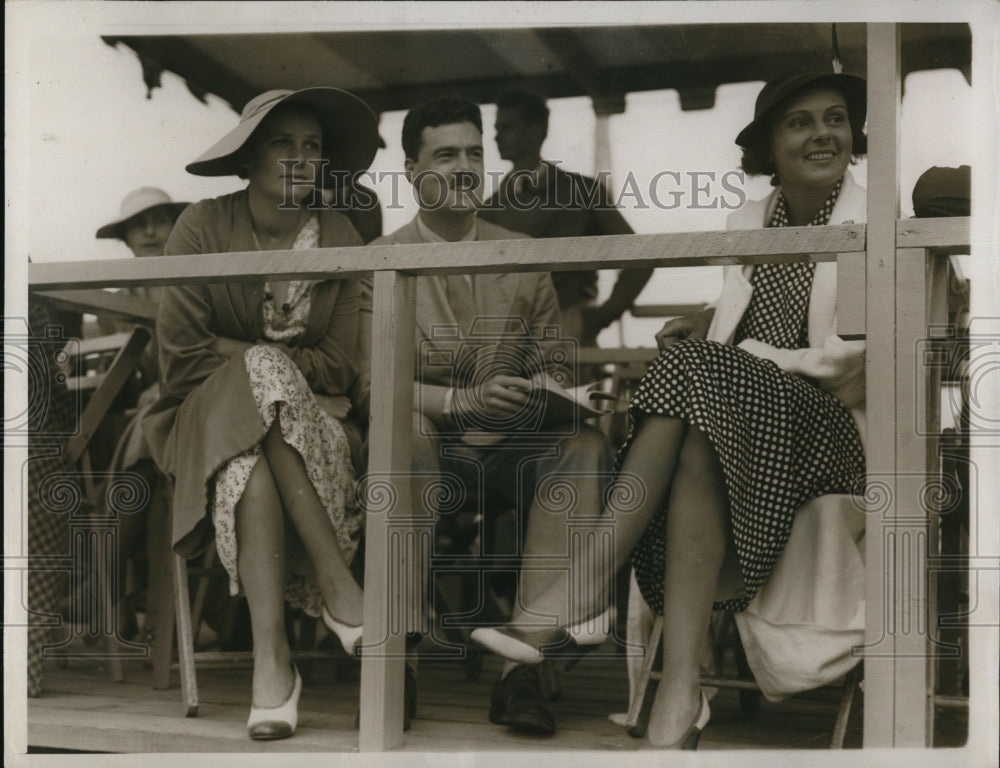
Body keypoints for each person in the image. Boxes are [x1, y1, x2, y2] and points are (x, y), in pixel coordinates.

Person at [473, 70, 869, 749]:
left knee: (690, 368)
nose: (822, 133)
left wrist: (740, 355)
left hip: (833, 434)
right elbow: (751, 320)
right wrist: (713, 318)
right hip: (741, 423)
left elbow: (844, 359)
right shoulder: (747, 220)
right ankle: (680, 691)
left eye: (834, 119)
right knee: (691, 441)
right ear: (770, 146)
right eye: (800, 122)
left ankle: (586, 587)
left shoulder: (868, 218)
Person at [370, 96, 614, 736]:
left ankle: (524, 669)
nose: (464, 166)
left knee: (583, 447)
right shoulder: (379, 260)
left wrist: (535, 389)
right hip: (427, 442)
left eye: (474, 153)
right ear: (411, 170)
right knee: (406, 435)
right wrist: (454, 401)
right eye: (445, 154)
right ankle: (398, 660)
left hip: (508, 440)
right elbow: (372, 383)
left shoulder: (521, 251)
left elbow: (556, 365)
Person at [143, 87, 379, 741]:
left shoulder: (339, 234)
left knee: (255, 449)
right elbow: (184, 362)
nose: (301, 159)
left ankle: (274, 667)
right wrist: (264, 361)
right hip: (201, 423)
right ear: (248, 156)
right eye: (283, 143)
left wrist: (247, 359)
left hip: (321, 430)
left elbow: (342, 366)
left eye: (313, 147)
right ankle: (339, 588)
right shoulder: (200, 226)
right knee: (256, 386)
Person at [478, 89, 653, 347]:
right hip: (509, 333)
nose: (497, 136)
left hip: (567, 327)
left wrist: (601, 317)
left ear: (537, 131)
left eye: (508, 127)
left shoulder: (582, 191)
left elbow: (642, 259)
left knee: (570, 390)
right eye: (497, 128)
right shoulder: (491, 207)